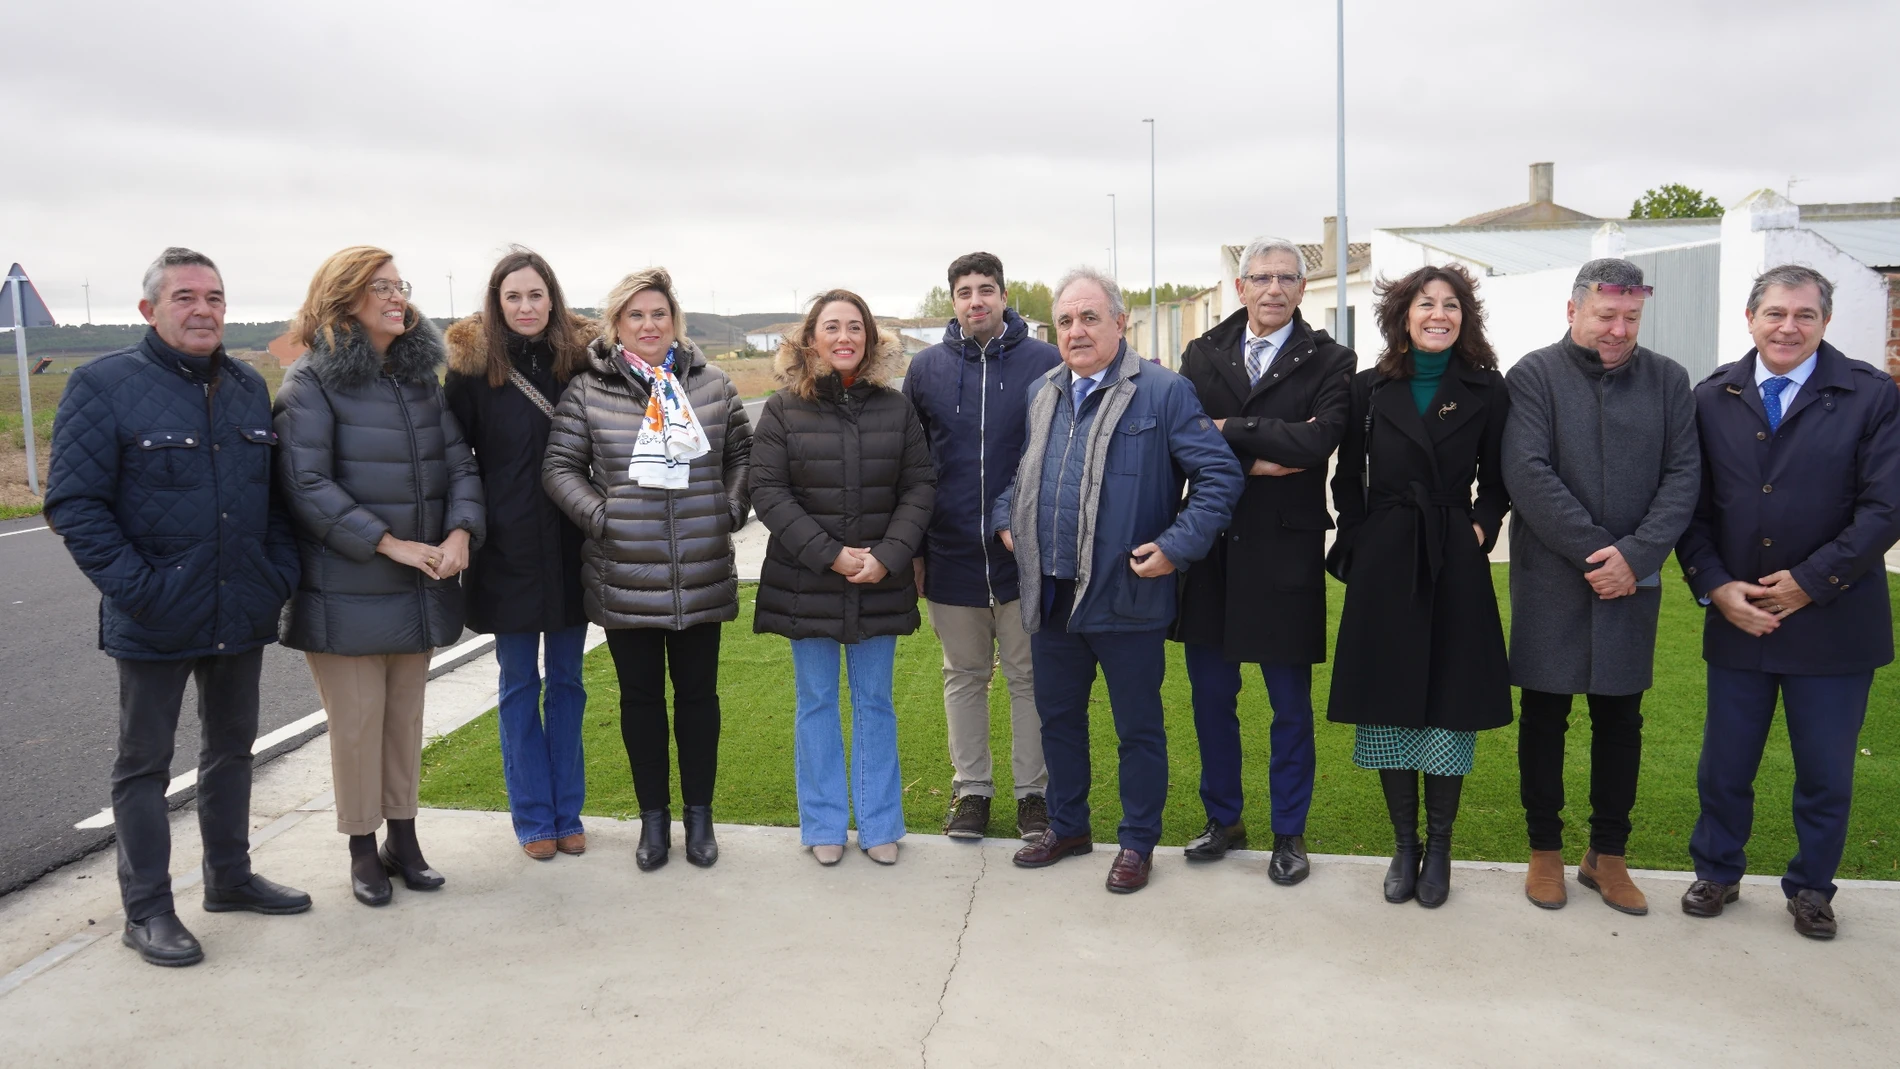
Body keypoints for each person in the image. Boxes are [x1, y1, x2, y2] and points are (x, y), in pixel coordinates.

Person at [46, 248, 310, 966]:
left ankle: (229, 876)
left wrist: (275, 573)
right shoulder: (102, 386)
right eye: (186, 297)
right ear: (149, 310)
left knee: (231, 750)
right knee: (145, 764)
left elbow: (276, 502)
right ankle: (149, 910)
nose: (203, 310)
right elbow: (75, 504)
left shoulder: (251, 387)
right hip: (154, 615)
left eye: (215, 298)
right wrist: (141, 589)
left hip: (240, 606)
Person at [995, 267, 1243, 894]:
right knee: (1059, 720)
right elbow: (1026, 473)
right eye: (1066, 321)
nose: (1076, 332)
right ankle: (1068, 826)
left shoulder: (1162, 392)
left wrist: (1175, 547)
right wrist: (1006, 517)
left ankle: (1137, 842)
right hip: (1053, 598)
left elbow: (1219, 478)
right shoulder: (1045, 390)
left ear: (1119, 321)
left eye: (1089, 318)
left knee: (1137, 729)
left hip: (1128, 594)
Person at [1676, 265, 1900, 939]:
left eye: (1804, 314)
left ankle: (1812, 886)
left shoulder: (1871, 395)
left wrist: (1810, 581)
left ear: (1825, 322)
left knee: (1826, 772)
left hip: (1834, 621)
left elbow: (1885, 506)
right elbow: (1689, 508)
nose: (1788, 326)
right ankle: (1717, 868)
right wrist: (1715, 585)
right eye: (1775, 313)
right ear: (1751, 318)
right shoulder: (1713, 395)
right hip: (1740, 617)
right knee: (1725, 765)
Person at [275, 246, 485, 907]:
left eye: (401, 286)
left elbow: (460, 463)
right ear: (344, 298)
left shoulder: (418, 378)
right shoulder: (309, 381)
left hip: (419, 579)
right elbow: (305, 483)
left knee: (404, 719)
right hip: (347, 584)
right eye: (381, 287)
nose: (398, 298)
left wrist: (460, 530)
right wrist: (389, 543)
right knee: (357, 723)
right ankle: (362, 846)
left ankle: (404, 836)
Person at [1502, 258, 1699, 916]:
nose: (1618, 329)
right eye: (1604, 315)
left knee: (1621, 718)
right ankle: (1545, 851)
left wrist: (1636, 557)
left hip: (1631, 583)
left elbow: (1683, 479)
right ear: (1573, 310)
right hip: (1554, 577)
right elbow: (1526, 473)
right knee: (1545, 715)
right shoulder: (1533, 376)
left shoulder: (1669, 380)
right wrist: (1598, 553)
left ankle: (1606, 855)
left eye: (1630, 318)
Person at [544, 267, 751, 871]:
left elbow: (742, 453)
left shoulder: (712, 385)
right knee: (639, 703)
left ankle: (700, 820)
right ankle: (653, 822)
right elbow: (559, 470)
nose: (649, 324)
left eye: (659, 313)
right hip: (625, 573)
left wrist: (731, 508)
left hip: (700, 570)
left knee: (698, 700)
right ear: (617, 325)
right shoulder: (587, 391)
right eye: (635, 315)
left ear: (675, 321)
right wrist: (605, 518)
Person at [1326, 264, 1512, 908]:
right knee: (1389, 701)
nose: (1439, 314)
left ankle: (1441, 847)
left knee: (1450, 702)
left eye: (1451, 304)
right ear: (1403, 315)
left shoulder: (1488, 390)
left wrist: (1480, 528)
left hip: (1454, 560)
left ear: (1465, 316)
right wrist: (1357, 538)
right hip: (1386, 558)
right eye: (1426, 304)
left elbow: (1499, 479)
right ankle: (1404, 847)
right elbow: (1347, 476)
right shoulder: (1367, 390)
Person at [1172, 236, 1355, 884]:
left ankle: (1288, 832)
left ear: (1304, 290)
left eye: (1286, 278)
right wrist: (1258, 455)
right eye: (1261, 277)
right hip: (1214, 548)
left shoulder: (1333, 359)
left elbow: (1319, 440)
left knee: (1288, 706)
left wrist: (1227, 432)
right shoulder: (1202, 354)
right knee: (1212, 699)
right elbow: (1182, 438)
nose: (1274, 288)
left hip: (1285, 553)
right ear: (1241, 287)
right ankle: (1224, 819)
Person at [748, 290, 934, 866]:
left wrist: (889, 555)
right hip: (810, 581)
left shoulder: (895, 408)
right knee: (817, 702)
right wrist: (831, 555)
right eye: (832, 327)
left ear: (871, 339)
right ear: (810, 340)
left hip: (880, 578)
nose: (845, 337)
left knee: (876, 703)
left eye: (856, 327)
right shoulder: (782, 410)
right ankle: (823, 824)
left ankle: (880, 826)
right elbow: (768, 493)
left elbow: (920, 486)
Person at [444, 248, 596, 862]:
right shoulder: (471, 373)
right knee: (516, 683)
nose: (527, 307)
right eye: (514, 297)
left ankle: (568, 811)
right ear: (497, 303)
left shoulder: (584, 364)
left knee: (567, 682)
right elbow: (454, 459)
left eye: (536, 295)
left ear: (552, 299)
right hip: (503, 544)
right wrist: (462, 529)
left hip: (571, 540)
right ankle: (532, 817)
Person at [903, 252, 1060, 842]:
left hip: (1025, 555)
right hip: (949, 553)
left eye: (986, 290)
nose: (977, 301)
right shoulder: (926, 370)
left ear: (1004, 295)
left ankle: (1033, 796)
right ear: (953, 301)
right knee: (963, 675)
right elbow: (913, 465)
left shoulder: (1046, 363)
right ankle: (971, 791)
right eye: (965, 291)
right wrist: (916, 549)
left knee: (1027, 676)